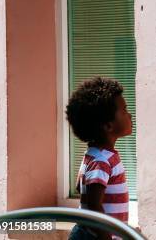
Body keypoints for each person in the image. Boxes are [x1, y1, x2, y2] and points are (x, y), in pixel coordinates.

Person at [65, 77, 133, 240]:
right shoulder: (102, 160)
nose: (129, 115)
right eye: (124, 111)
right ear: (108, 126)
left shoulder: (94, 154)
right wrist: (106, 237)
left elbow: (80, 188)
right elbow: (95, 206)